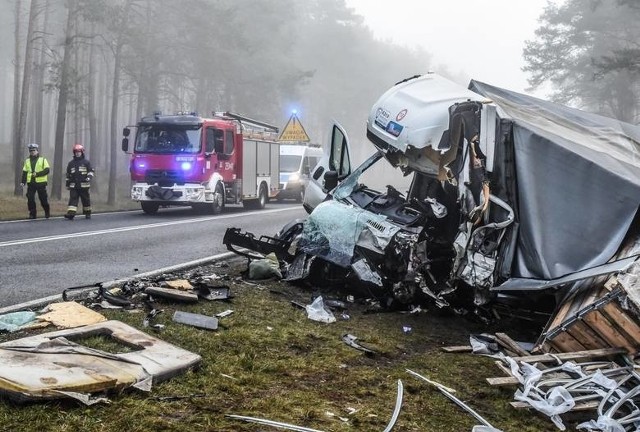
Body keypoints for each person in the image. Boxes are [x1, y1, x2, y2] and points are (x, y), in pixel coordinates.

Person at [64, 143, 95, 220]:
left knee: (85, 200)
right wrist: (67, 184)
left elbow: (91, 171)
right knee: (73, 199)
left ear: (82, 152)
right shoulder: (71, 163)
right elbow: (68, 175)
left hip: (84, 185)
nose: (77, 153)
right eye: (76, 152)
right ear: (74, 153)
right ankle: (71, 214)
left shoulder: (86, 162)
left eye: (79, 152)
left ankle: (87, 213)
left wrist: (89, 177)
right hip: (73, 185)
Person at [20, 143, 50, 219]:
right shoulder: (27, 161)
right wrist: (23, 182)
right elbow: (25, 172)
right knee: (30, 198)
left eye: (34, 150)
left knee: (43, 199)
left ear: (37, 151)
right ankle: (32, 214)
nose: (32, 152)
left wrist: (37, 174)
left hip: (41, 183)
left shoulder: (43, 159)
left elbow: (47, 170)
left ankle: (47, 210)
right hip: (31, 183)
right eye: (31, 151)